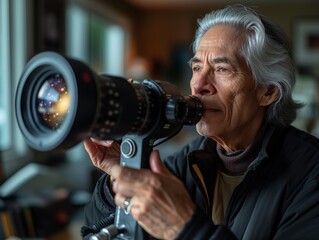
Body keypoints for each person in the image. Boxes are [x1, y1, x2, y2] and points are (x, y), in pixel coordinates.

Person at [82, 4, 319, 240]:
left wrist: (184, 227)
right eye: (197, 67)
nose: (198, 84)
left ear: (267, 92)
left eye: (222, 68)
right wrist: (122, 171)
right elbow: (97, 231)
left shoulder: (311, 174)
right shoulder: (187, 161)